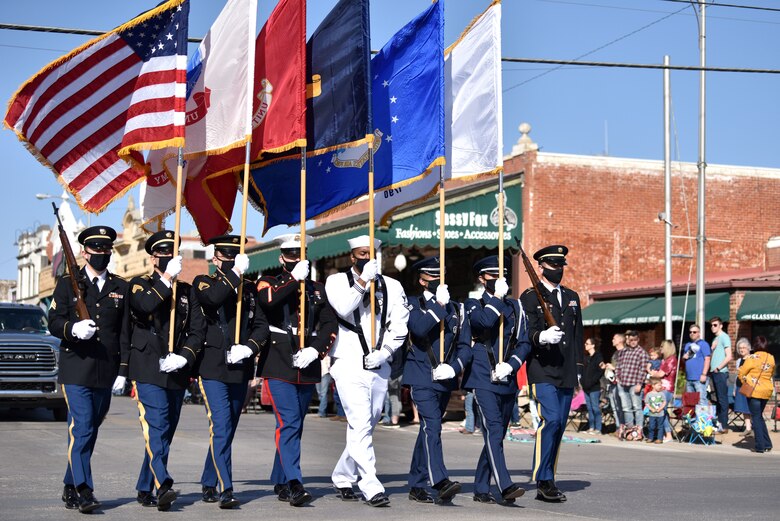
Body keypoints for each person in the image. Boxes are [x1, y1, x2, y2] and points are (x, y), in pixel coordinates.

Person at [48, 226, 130, 513]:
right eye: (96, 250)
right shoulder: (68, 283)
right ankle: (84, 490)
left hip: (105, 370)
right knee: (81, 427)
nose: (101, 255)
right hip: (76, 369)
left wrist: (123, 370)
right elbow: (54, 322)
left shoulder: (121, 287)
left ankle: (70, 484)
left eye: (106, 250)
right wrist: (73, 329)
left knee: (89, 431)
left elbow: (124, 332)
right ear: (84, 252)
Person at [123, 230, 206, 510]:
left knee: (165, 430)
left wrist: (185, 356)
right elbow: (145, 305)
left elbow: (197, 330)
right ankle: (163, 484)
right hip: (148, 366)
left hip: (176, 369)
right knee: (156, 425)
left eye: (173, 253)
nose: (169, 257)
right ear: (153, 258)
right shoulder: (138, 285)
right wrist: (166, 279)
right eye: (163, 254)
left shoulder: (187, 291)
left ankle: (145, 486)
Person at [324, 235, 410, 507]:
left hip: (379, 363)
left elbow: (400, 324)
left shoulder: (393, 285)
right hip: (348, 363)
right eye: (361, 254)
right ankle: (371, 485)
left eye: (371, 253)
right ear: (352, 257)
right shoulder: (336, 281)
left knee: (366, 425)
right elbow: (343, 308)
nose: (366, 258)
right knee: (360, 422)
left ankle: (342, 475)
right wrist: (363, 281)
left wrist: (385, 352)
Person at [255, 233, 337, 507]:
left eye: (299, 255)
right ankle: (294, 482)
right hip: (279, 363)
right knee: (289, 422)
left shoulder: (317, 288)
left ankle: (280, 477)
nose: (295, 259)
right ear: (282, 258)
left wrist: (315, 349)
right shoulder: (269, 281)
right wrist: (293, 280)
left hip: (307, 364)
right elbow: (268, 302)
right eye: (290, 255)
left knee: (294, 425)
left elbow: (328, 324)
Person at [194, 235, 269, 509]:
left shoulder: (249, 289)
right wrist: (235, 273)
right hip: (212, 368)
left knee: (226, 430)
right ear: (216, 260)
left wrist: (249, 348)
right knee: (222, 426)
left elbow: (261, 325)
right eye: (227, 259)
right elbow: (213, 300)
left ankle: (208, 480)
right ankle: (226, 489)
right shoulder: (203, 282)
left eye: (236, 259)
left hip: (240, 368)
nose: (230, 263)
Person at [403, 256, 470, 504]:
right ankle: (440, 481)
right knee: (432, 426)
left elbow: (465, 347)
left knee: (426, 431)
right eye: (432, 277)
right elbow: (419, 329)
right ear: (422, 281)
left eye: (440, 277)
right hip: (420, 375)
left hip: (444, 378)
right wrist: (439, 306)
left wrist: (454, 369)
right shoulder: (413, 304)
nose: (437, 281)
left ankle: (416, 484)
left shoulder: (458, 308)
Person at [464, 255, 530, 505]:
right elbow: (483, 323)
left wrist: (512, 365)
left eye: (501, 274)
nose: (498, 279)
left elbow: (523, 342)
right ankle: (505, 485)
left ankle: (481, 487)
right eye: (492, 275)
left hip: (507, 378)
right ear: (482, 279)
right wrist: (496, 299)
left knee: (497, 435)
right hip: (482, 376)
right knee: (492, 429)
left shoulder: (517, 307)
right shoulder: (473, 304)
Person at [520, 245, 583, 503]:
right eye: (553, 266)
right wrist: (541, 337)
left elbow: (578, 335)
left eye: (561, 266)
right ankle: (542, 478)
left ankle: (550, 478)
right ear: (541, 267)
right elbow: (526, 333)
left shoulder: (572, 296)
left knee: (558, 429)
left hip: (566, 370)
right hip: (542, 368)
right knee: (553, 420)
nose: (558, 270)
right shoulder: (530, 297)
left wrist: (578, 369)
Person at [738, 336, 775, 453]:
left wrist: (746, 382)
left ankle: (760, 446)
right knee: (759, 416)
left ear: (755, 345)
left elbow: (741, 372)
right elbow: (771, 373)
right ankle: (767, 443)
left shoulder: (751, 357)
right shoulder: (771, 358)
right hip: (766, 390)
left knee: (756, 418)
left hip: (754, 390)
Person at [615, 330, 649, 439]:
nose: (633, 342)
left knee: (637, 407)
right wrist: (618, 378)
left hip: (635, 384)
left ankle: (638, 430)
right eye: (631, 340)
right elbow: (618, 366)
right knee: (626, 408)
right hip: (623, 383)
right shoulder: (623, 351)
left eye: (635, 340)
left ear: (638, 340)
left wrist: (640, 384)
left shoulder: (642, 353)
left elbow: (643, 370)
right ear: (628, 340)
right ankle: (629, 430)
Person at [648, 340, 677, 442]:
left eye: (662, 346)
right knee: (661, 412)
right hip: (661, 388)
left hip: (666, 389)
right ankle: (666, 433)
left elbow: (661, 374)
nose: (660, 349)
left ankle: (668, 435)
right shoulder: (665, 360)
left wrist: (651, 373)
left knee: (660, 411)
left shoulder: (671, 359)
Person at [708, 317, 732, 433]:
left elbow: (729, 356)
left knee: (722, 399)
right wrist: (712, 349)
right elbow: (713, 356)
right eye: (712, 325)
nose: (713, 327)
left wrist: (718, 367)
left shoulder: (724, 337)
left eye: (715, 325)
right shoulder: (715, 339)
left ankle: (724, 425)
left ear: (721, 325)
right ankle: (719, 424)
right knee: (716, 399)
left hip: (720, 372)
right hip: (714, 372)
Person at [682, 324, 711, 406]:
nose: (692, 333)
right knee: (690, 402)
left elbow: (707, 359)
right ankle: (692, 418)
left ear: (699, 333)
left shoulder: (703, 344)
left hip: (699, 377)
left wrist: (704, 374)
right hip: (689, 378)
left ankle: (702, 418)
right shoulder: (687, 345)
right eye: (690, 332)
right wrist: (684, 358)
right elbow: (685, 361)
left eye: (694, 332)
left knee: (701, 400)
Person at [581, 338, 604, 435]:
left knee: (595, 408)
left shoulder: (598, 356)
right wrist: (582, 381)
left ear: (593, 345)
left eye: (587, 343)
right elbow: (583, 371)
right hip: (586, 387)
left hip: (594, 387)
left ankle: (598, 428)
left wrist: (592, 381)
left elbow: (601, 370)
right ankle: (591, 427)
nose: (585, 345)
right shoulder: (586, 357)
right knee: (589, 408)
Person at [602, 333, 625, 432]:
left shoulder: (625, 352)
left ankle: (624, 427)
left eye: (614, 338)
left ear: (620, 340)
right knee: (615, 407)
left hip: (621, 383)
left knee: (622, 407)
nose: (612, 340)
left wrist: (614, 368)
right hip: (612, 382)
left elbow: (625, 368)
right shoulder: (615, 353)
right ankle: (618, 427)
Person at [733, 338, 753, 434]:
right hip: (739, 386)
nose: (742, 350)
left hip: (748, 386)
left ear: (748, 348)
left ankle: (754, 427)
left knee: (751, 407)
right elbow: (737, 375)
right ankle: (748, 428)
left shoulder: (752, 359)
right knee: (744, 408)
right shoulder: (738, 361)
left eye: (744, 348)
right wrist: (734, 389)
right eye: (740, 348)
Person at [644, 377, 667, 443]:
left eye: (661, 385)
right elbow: (647, 403)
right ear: (653, 385)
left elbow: (664, 402)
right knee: (651, 426)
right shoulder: (649, 394)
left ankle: (659, 439)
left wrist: (660, 408)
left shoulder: (662, 394)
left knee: (660, 426)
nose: (660, 386)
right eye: (659, 385)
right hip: (652, 413)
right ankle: (650, 438)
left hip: (660, 414)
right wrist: (651, 409)